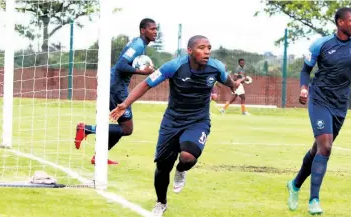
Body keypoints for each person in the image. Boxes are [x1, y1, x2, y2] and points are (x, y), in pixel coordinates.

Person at [110, 35, 243, 216]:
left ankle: (181, 170)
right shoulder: (174, 66)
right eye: (202, 48)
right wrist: (125, 104)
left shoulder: (215, 67)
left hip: (198, 121)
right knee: (163, 167)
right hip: (172, 122)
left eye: (209, 48)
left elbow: (226, 80)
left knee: (187, 157)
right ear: (190, 51)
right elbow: (146, 84)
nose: (207, 52)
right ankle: (161, 202)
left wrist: (234, 84)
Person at [286, 7, 351, 215]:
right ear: (340, 22)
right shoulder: (321, 44)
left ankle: (294, 185)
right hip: (319, 99)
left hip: (340, 103)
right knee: (326, 148)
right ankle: (314, 200)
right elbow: (305, 70)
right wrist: (304, 88)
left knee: (318, 149)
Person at [73, 18, 157, 165]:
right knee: (126, 128)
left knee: (124, 128)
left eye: (156, 29)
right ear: (143, 30)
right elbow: (121, 66)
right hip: (116, 89)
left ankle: (98, 156)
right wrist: (142, 72)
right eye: (152, 29)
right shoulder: (138, 45)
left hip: (115, 86)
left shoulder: (138, 44)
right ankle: (86, 128)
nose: (155, 32)